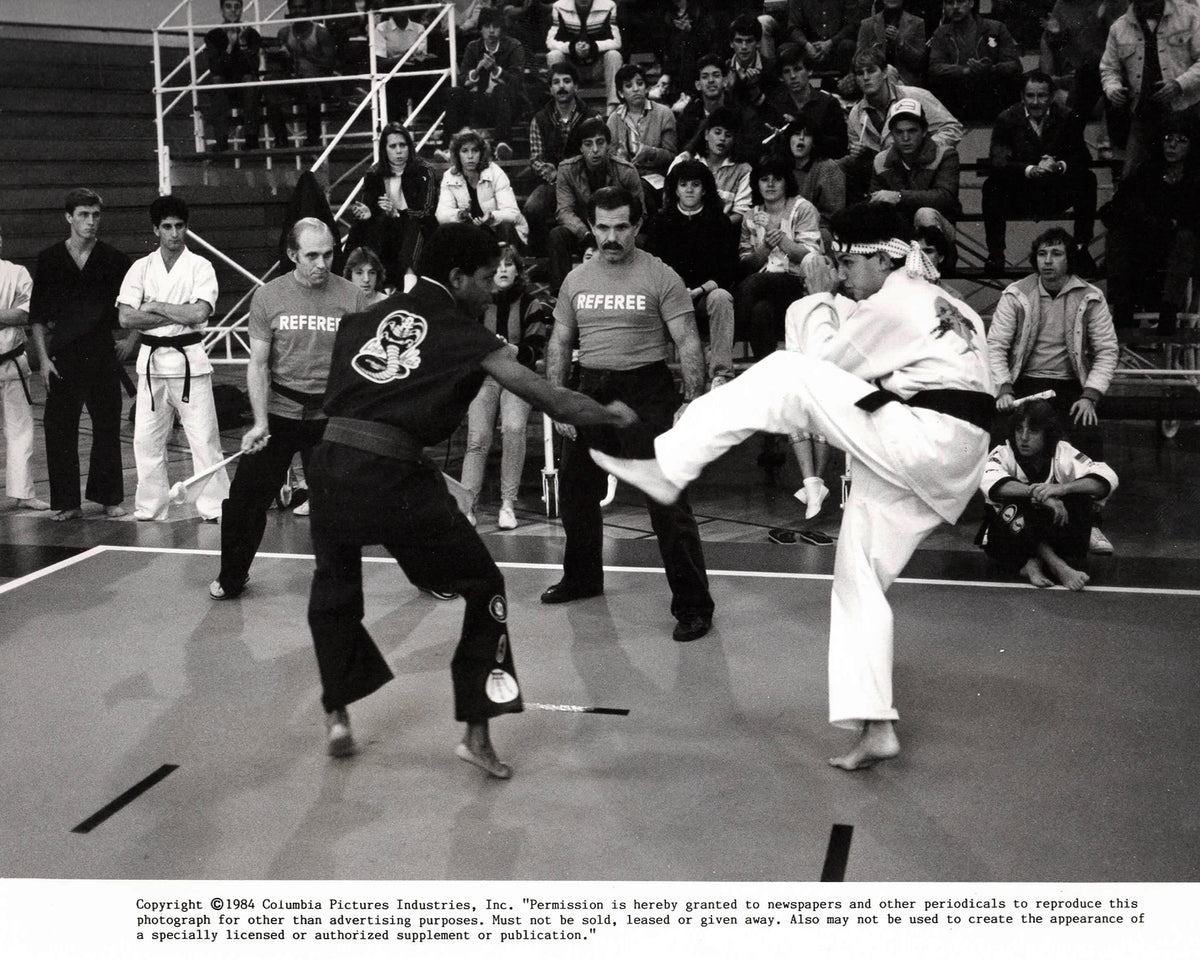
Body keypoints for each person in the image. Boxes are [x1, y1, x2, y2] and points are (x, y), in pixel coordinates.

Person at [591, 202, 995, 771]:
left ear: (884, 259)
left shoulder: (893, 302)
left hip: (926, 434)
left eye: (848, 264)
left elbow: (820, 366)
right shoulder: (949, 303)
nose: (842, 273)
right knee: (858, 575)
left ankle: (669, 465)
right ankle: (875, 725)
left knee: (784, 373)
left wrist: (818, 299)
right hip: (948, 451)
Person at [306, 222, 637, 776]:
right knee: (483, 585)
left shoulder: (359, 319)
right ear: (457, 278)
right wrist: (610, 414)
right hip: (393, 475)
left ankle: (337, 714)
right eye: (485, 279)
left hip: (330, 464)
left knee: (334, 586)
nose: (492, 290)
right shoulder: (464, 333)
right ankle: (476, 734)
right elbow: (551, 399)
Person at [543, 186, 715, 644]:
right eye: (602, 227)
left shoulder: (661, 276)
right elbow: (560, 341)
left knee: (666, 500)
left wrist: (690, 400)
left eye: (621, 227)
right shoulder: (576, 280)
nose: (611, 237)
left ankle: (694, 606)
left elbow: (687, 340)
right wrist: (558, 398)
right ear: (590, 226)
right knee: (576, 492)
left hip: (647, 390)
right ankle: (582, 578)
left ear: (637, 225)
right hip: (591, 390)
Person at [209, 219, 367, 599]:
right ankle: (232, 576)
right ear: (293, 254)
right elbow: (258, 364)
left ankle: (342, 581)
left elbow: (357, 364)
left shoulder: (352, 297)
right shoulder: (268, 296)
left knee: (340, 506)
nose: (321, 264)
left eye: (328, 254)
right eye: (312, 256)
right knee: (244, 500)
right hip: (280, 414)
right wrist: (259, 421)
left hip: (328, 416)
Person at [986, 227, 1119, 553]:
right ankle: (995, 519)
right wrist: (1004, 388)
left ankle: (1091, 524)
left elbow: (1106, 350)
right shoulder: (1016, 293)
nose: (1047, 261)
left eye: (1056, 254)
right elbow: (996, 346)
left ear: (1069, 259)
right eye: (1042, 254)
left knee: (1086, 435)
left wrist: (1090, 395)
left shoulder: (1090, 296)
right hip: (1024, 383)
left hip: (1071, 386)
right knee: (1002, 437)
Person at [117, 195, 228, 522]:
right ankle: (150, 507)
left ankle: (215, 506)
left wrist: (154, 306)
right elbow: (126, 318)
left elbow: (199, 313)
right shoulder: (141, 267)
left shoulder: (200, 266)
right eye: (167, 227)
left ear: (186, 228)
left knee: (204, 440)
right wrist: (177, 314)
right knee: (146, 442)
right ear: (156, 229)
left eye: (180, 226)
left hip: (189, 362)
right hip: (151, 364)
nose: (174, 233)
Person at [29, 188, 135, 521]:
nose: (91, 221)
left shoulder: (114, 259)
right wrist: (43, 360)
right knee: (60, 430)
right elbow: (37, 317)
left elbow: (137, 305)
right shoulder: (49, 259)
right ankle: (68, 502)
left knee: (107, 428)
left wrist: (131, 340)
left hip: (102, 353)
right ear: (69, 217)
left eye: (96, 215)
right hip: (63, 356)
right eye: (84, 215)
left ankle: (109, 498)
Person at [979, 398, 1118, 590]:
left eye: (1033, 431)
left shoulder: (1063, 452)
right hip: (1009, 538)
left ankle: (1033, 563)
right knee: (1010, 503)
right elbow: (988, 481)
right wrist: (1039, 494)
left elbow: (1107, 477)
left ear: (1048, 433)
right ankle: (1057, 566)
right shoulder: (1003, 453)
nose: (1023, 438)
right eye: (1019, 429)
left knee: (1080, 495)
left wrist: (1061, 489)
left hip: (1054, 534)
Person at [460, 245, 552, 529]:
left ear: (518, 271)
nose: (502, 270)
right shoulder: (478, 303)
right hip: (485, 376)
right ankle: (467, 506)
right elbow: (465, 344)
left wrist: (511, 349)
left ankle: (508, 505)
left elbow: (535, 349)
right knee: (478, 437)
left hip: (518, 376)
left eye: (508, 264)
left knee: (513, 429)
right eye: (497, 266)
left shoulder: (530, 304)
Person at [982, 70, 1098, 277]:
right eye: (1030, 95)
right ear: (1022, 96)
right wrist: (1030, 170)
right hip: (1021, 193)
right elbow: (998, 161)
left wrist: (1059, 166)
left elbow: (1082, 158)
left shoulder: (1067, 116)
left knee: (1088, 179)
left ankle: (1081, 248)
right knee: (992, 186)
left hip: (1054, 192)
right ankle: (996, 254)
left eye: (1042, 96)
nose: (1035, 102)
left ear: (1051, 97)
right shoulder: (1006, 118)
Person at [647, 159, 740, 390]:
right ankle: (652, 376)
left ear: (705, 189)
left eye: (695, 185)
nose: (689, 190)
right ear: (675, 189)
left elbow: (729, 269)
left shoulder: (719, 221)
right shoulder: (661, 221)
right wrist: (676, 289)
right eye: (684, 184)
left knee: (721, 297)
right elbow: (653, 265)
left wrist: (699, 290)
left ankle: (721, 374)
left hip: (704, 296)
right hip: (668, 298)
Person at [1102, 114, 1200, 331]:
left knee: (1185, 238)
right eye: (1167, 139)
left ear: (1192, 146)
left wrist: (1173, 224)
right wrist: (1156, 222)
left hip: (1186, 248)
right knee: (1119, 235)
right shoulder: (1147, 171)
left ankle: (1169, 311)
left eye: (1181, 141)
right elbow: (1118, 207)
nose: (1172, 145)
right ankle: (1123, 308)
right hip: (1149, 241)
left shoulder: (1196, 176)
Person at [737, 152, 824, 364]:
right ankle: (767, 370)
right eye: (764, 179)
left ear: (786, 182)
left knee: (755, 283)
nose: (770, 184)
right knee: (760, 311)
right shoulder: (750, 216)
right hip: (764, 290)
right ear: (756, 183)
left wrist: (778, 235)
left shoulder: (802, 208)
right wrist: (766, 247)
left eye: (777, 179)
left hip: (798, 283)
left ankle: (732, 333)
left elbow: (809, 256)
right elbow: (747, 264)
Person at [843, 47, 963, 199]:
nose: (866, 77)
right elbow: (866, 165)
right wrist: (860, 155)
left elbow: (953, 128)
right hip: (886, 181)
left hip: (923, 177)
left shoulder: (916, 96)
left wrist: (923, 148)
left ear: (885, 72)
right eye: (860, 73)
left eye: (871, 71)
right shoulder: (855, 114)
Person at [1101, 0, 1200, 175]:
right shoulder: (1119, 28)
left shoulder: (1190, 17)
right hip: (1143, 117)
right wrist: (1113, 89)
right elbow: (1109, 68)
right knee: (1130, 179)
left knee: (1191, 176)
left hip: (1187, 114)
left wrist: (1179, 84)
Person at [549, 116, 643, 291]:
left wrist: (615, 231)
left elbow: (639, 212)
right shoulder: (567, 170)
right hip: (584, 232)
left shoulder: (626, 171)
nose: (595, 150)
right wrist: (586, 234)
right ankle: (559, 295)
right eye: (588, 144)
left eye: (600, 142)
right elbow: (564, 211)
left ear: (608, 145)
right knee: (558, 235)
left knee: (642, 238)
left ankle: (633, 290)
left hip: (617, 230)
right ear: (580, 147)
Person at [346, 122, 438, 289]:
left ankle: (409, 283)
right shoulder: (374, 172)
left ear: (409, 147)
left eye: (403, 145)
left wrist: (398, 212)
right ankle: (353, 281)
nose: (398, 151)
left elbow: (427, 211)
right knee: (359, 228)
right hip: (387, 224)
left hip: (417, 224)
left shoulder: (425, 171)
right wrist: (368, 213)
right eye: (393, 146)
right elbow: (370, 206)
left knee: (413, 227)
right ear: (384, 149)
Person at [521, 61, 597, 256]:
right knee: (532, 207)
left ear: (576, 86)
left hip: (585, 179)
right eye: (556, 82)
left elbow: (596, 153)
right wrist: (547, 170)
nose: (561, 86)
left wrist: (565, 172)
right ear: (550, 89)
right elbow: (536, 158)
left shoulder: (591, 117)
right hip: (552, 182)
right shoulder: (540, 119)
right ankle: (543, 256)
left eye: (566, 81)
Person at [868, 98, 961, 248]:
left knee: (925, 214)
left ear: (924, 132)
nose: (905, 138)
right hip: (900, 232)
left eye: (912, 131)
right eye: (899, 132)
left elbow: (946, 198)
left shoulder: (945, 154)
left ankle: (932, 261)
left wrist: (899, 197)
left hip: (939, 231)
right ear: (892, 134)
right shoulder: (880, 160)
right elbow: (875, 202)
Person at [0, 225, 48, 511]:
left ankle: (23, 492)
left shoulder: (16, 273)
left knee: (21, 430)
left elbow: (27, 313)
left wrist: (14, 315)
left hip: (12, 361)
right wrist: (8, 314)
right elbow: (15, 313)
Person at [442, 8, 527, 157]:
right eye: (487, 26)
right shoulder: (473, 47)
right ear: (480, 28)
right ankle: (447, 148)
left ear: (502, 28)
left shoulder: (514, 46)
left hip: (509, 106)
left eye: (496, 26)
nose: (491, 31)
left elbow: (517, 81)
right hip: (480, 105)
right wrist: (476, 71)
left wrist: (496, 70)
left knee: (501, 89)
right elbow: (462, 79)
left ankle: (503, 144)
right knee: (454, 92)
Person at [927, 0, 1023, 122]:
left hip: (992, 93)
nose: (955, 7)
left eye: (960, 1)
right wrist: (965, 70)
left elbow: (1015, 65)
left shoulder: (996, 28)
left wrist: (991, 68)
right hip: (958, 97)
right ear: (944, 6)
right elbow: (935, 67)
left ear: (971, 3)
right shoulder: (941, 33)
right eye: (950, 3)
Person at [435, 127, 529, 248]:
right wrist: (459, 215)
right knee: (445, 231)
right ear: (457, 154)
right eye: (464, 151)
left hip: (498, 231)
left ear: (481, 153)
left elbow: (513, 213)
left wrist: (492, 217)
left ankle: (508, 258)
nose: (470, 156)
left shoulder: (495, 172)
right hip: (471, 234)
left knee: (504, 225)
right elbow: (441, 214)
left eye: (475, 151)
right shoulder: (449, 176)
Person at [265, 0, 337, 147]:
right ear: (289, 10)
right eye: (294, 8)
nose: (298, 11)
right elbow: (281, 66)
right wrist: (280, 56)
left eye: (302, 7)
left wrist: (304, 56)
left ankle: (312, 138)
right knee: (269, 82)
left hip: (317, 83)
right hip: (295, 82)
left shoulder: (320, 31)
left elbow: (329, 64)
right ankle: (281, 139)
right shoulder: (284, 32)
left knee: (310, 81)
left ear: (309, 9)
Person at [766, 44, 849, 162]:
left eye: (797, 69)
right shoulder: (775, 104)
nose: (793, 76)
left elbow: (840, 147)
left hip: (821, 165)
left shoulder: (828, 103)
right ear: (781, 77)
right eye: (786, 71)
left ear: (809, 71)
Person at [606, 63, 678, 198]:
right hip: (624, 179)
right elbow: (609, 156)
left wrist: (651, 153)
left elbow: (672, 156)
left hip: (656, 178)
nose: (635, 89)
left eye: (640, 84)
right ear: (621, 93)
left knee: (642, 190)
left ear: (646, 88)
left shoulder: (664, 113)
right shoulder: (614, 119)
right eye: (628, 86)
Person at [202, 0, 264, 152]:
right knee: (217, 80)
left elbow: (253, 67)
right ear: (222, 10)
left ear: (242, 9)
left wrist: (242, 44)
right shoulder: (213, 36)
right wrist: (229, 47)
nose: (233, 10)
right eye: (228, 6)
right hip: (225, 88)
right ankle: (221, 140)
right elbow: (215, 68)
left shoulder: (251, 34)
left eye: (237, 6)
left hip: (245, 89)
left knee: (249, 79)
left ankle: (251, 139)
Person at [546, 0, 623, 113]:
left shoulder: (608, 5)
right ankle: (562, 107)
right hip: (571, 68)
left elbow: (617, 42)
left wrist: (592, 47)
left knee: (614, 55)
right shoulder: (560, 6)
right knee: (554, 55)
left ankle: (613, 107)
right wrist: (572, 48)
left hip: (597, 67)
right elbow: (550, 42)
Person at [781, 115, 847, 240]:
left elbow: (834, 216)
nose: (801, 138)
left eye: (807, 135)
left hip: (816, 232)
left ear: (814, 142)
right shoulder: (781, 165)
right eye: (796, 134)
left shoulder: (828, 168)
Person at [856, 0, 927, 86]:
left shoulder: (917, 23)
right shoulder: (867, 24)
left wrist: (900, 42)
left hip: (905, 81)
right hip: (875, 80)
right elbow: (858, 58)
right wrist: (874, 52)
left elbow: (920, 61)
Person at [786, 0, 863, 76]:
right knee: (788, 49)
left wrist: (830, 42)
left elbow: (852, 24)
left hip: (836, 46)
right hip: (810, 48)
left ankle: (845, 81)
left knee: (847, 45)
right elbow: (793, 27)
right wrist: (806, 44)